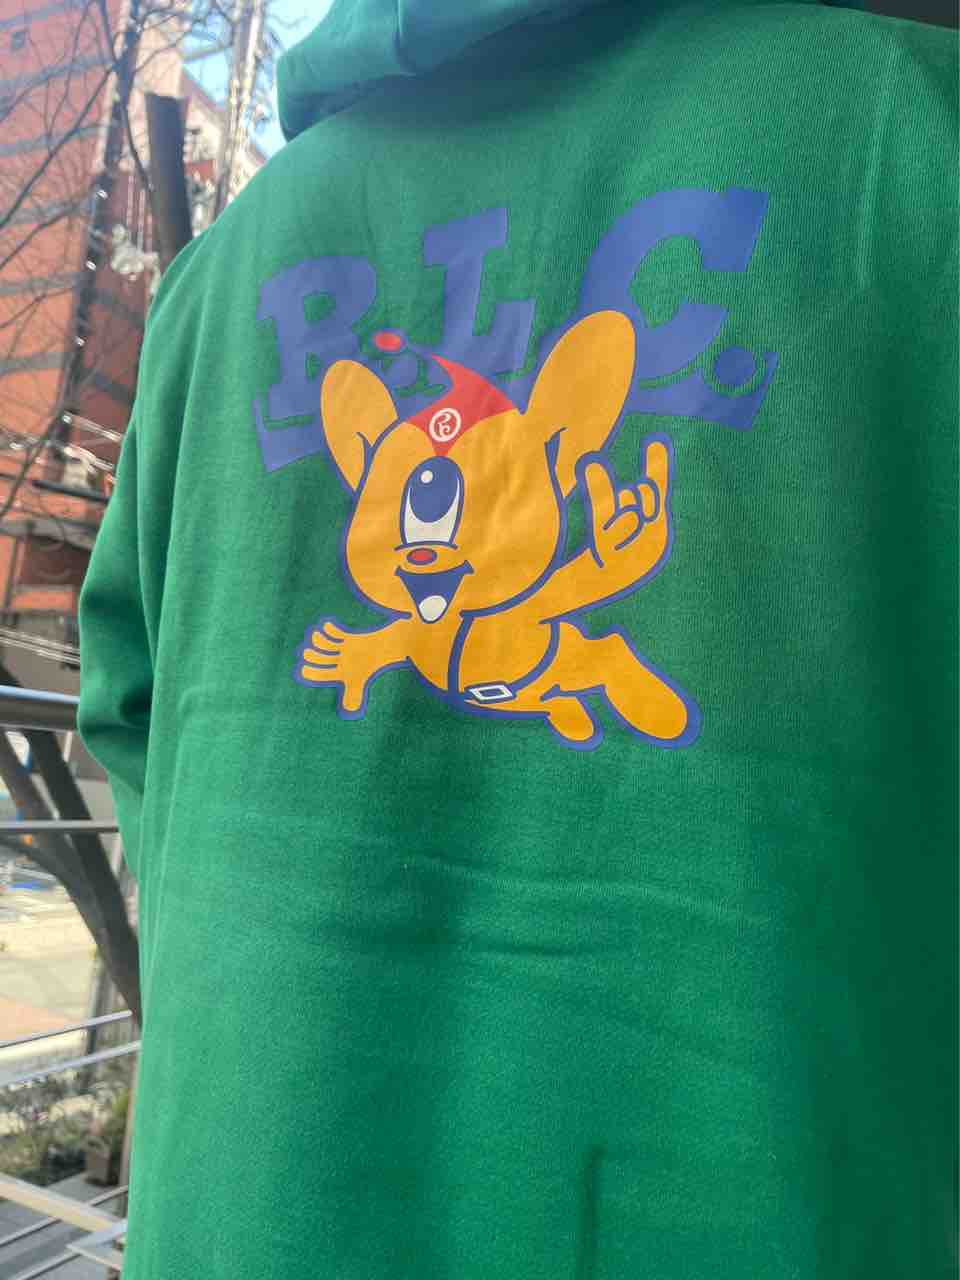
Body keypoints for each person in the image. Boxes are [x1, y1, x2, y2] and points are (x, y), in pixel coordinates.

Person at [78, 2, 958, 1276]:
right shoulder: (915, 142)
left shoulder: (217, 281)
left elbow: (126, 711)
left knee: (570, 642)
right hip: (760, 1203)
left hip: (247, 1208)